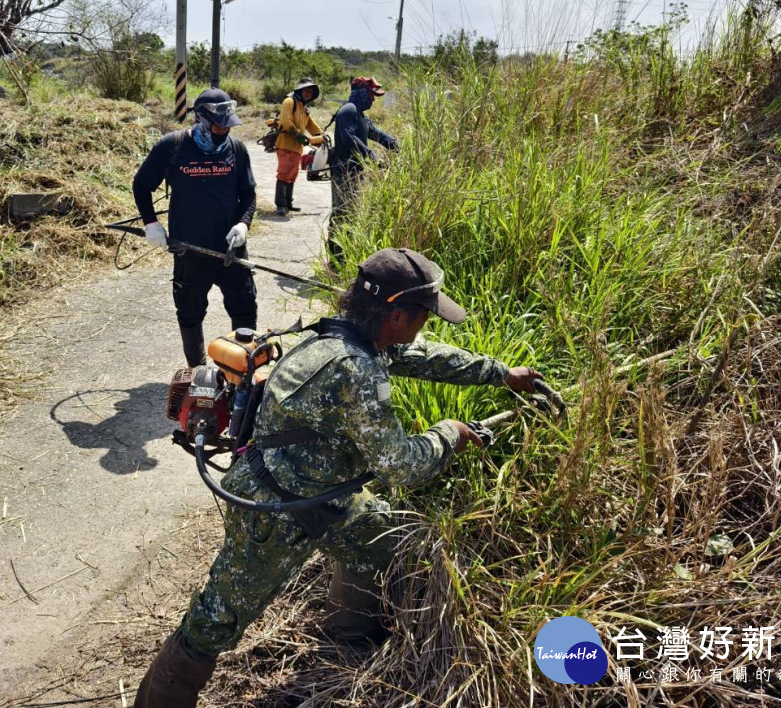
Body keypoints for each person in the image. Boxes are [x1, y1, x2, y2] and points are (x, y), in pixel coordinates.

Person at [133, 247, 546, 707]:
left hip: (323, 496)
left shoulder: (346, 336)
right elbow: (402, 465)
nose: (424, 326)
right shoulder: (353, 369)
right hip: (275, 512)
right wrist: (450, 433)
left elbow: (423, 357)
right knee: (213, 622)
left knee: (390, 537)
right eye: (424, 316)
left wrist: (500, 374)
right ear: (396, 316)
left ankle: (348, 640)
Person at [132, 88, 258, 368]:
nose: (223, 130)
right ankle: (196, 369)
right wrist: (151, 223)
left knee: (245, 308)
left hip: (230, 250)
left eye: (228, 125)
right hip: (189, 249)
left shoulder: (236, 150)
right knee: (189, 312)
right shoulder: (172, 146)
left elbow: (248, 195)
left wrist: (243, 223)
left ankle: (239, 373)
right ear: (200, 119)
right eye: (217, 125)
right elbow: (141, 185)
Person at [329, 76, 398, 260]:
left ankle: (344, 256)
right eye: (370, 94)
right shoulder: (348, 110)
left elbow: (378, 135)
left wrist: (394, 144)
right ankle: (336, 260)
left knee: (351, 215)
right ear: (360, 93)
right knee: (342, 215)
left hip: (355, 173)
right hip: (343, 173)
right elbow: (347, 137)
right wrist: (369, 153)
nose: (373, 99)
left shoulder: (360, 116)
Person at [272, 78, 325, 217]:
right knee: (284, 173)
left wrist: (322, 136)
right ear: (300, 90)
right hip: (285, 144)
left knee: (292, 174)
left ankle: (288, 202)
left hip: (297, 147)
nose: (308, 93)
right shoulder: (289, 102)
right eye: (306, 90)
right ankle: (280, 205)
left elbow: (312, 127)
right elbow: (285, 121)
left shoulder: (304, 109)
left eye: (310, 92)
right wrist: (298, 134)